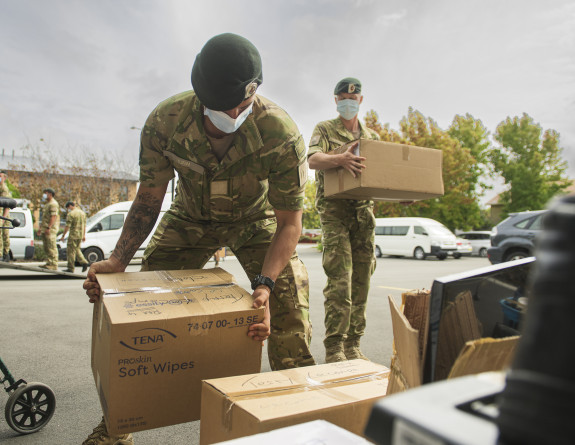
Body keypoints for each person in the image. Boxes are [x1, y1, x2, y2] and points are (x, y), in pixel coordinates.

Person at [82, 33, 315, 445]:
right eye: (225, 106)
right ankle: (118, 426)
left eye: (243, 105)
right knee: (138, 305)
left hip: (254, 221)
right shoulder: (165, 121)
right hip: (189, 218)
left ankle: (297, 420)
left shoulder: (280, 132)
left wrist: (265, 285)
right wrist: (119, 260)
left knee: (291, 301)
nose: (234, 113)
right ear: (201, 93)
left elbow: (289, 224)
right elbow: (149, 197)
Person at [307, 77, 380, 363]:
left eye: (354, 97)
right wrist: (340, 160)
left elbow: (378, 176)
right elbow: (312, 159)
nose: (349, 101)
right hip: (335, 214)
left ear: (360, 100)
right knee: (340, 282)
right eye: (343, 97)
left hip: (364, 215)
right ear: (336, 101)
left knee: (362, 282)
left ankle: (353, 344)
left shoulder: (371, 137)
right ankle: (335, 347)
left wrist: (400, 193)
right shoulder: (325, 129)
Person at [60, 201, 89, 273]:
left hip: (73, 235)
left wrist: (63, 235)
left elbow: (67, 226)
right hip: (80, 235)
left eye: (68, 208)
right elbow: (84, 225)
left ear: (70, 206)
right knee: (77, 249)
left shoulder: (71, 214)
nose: (68, 210)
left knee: (71, 251)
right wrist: (84, 235)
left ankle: (71, 267)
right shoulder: (82, 213)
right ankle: (84, 262)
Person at [37, 187, 60, 270]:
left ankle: (54, 264)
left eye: (46, 193)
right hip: (45, 228)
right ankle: (49, 262)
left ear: (50, 194)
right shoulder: (47, 204)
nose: (44, 195)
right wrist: (40, 229)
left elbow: (53, 216)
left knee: (51, 246)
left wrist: (49, 227)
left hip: (50, 229)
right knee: (46, 247)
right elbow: (44, 218)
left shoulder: (53, 204)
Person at [0, 171, 11, 262]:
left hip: (4, 216)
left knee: (5, 235)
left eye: (0, 176)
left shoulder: (4, 188)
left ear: (4, 178)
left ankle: (5, 254)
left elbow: (7, 206)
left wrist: (3, 219)